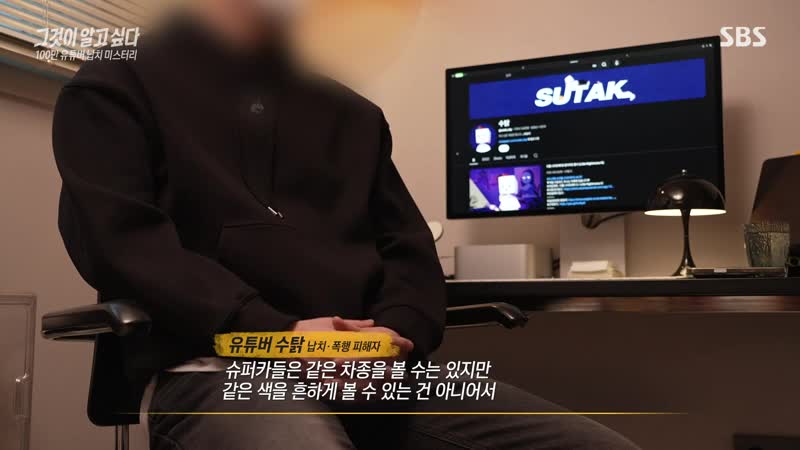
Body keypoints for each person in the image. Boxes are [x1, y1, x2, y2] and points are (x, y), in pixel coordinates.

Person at [52, 1, 640, 449]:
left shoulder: (353, 115)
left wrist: (395, 335)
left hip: (377, 379)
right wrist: (278, 335)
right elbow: (121, 244)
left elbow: (409, 255)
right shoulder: (115, 86)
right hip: (222, 368)